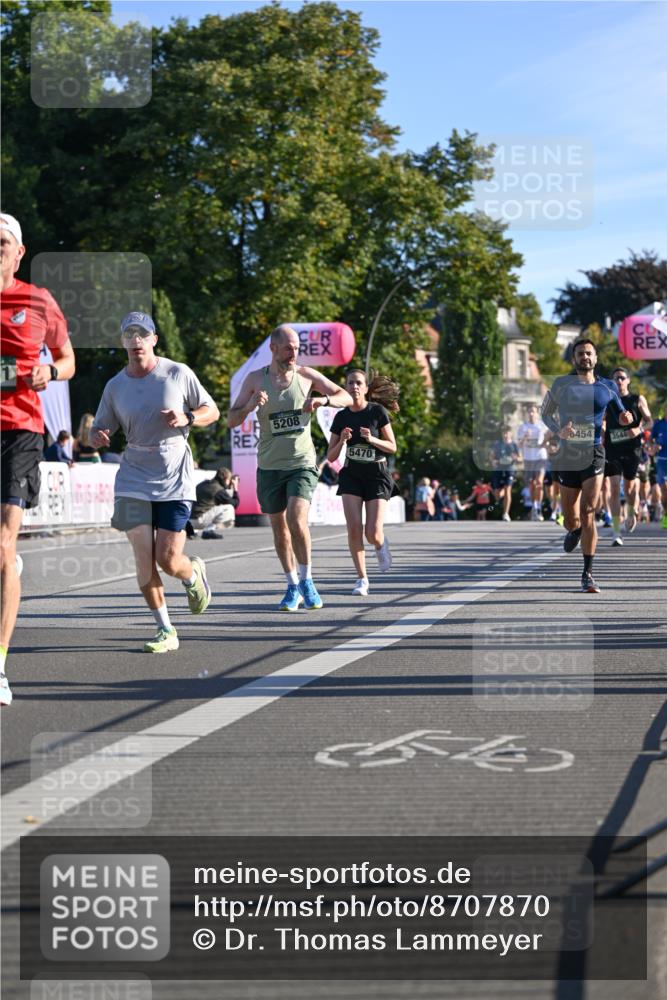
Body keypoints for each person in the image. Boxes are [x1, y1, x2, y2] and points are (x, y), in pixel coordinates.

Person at [91, 311, 219, 652]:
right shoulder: (115, 386)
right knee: (143, 559)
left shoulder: (177, 373)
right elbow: (97, 428)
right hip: (133, 475)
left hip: (174, 472)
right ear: (122, 342)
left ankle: (192, 575)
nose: (135, 341)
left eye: (141, 335)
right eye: (129, 335)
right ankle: (166, 630)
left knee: (168, 558)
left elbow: (212, 410)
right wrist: (98, 435)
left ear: (153, 340)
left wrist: (187, 416)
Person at [1, 212, 75, 706]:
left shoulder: (38, 300)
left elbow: (67, 359)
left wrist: (52, 371)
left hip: (20, 432)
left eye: (2, 242)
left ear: (19, 251)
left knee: (3, 548)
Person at [227, 324, 352, 611]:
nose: (294, 353)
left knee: (297, 521)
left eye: (297, 348)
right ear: (273, 349)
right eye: (288, 348)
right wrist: (248, 408)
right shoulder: (256, 379)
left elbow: (345, 395)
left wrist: (324, 400)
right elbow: (231, 419)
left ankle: (308, 580)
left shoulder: (306, 375)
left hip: (302, 463)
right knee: (280, 529)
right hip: (269, 466)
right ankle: (292, 584)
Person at [541, 338, 632, 593]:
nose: (585, 357)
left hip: (594, 452)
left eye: (589, 353)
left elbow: (623, 413)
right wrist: (560, 430)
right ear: (574, 358)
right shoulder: (561, 384)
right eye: (580, 354)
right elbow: (545, 413)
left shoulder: (608, 386)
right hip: (568, 454)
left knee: (589, 509)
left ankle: (588, 574)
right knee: (571, 517)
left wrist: (627, 418)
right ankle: (574, 529)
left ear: (596, 357)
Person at [326, 368, 398, 596]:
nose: (354, 386)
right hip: (352, 475)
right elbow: (330, 456)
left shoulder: (377, 412)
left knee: (372, 533)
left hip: (377, 474)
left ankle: (380, 544)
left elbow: (392, 447)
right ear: (346, 388)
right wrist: (343, 441)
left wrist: (372, 438)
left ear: (366, 388)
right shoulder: (341, 417)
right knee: (354, 529)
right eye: (350, 383)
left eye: (358, 382)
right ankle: (362, 579)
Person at [603, 367, 652, 545]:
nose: (619, 381)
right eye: (616, 379)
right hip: (612, 448)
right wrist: (600, 434)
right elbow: (601, 421)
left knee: (631, 490)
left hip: (632, 448)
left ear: (628, 380)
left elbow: (649, 421)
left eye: (622, 378)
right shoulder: (608, 400)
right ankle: (617, 532)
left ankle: (631, 512)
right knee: (614, 487)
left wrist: (637, 429)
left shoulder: (637, 399)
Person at [517, 404, 548, 521]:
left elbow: (548, 440)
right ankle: (534, 506)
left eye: (533, 411)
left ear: (537, 413)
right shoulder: (523, 427)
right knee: (532, 484)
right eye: (529, 412)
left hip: (541, 457)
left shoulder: (542, 425)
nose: (531, 414)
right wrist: (525, 437)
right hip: (528, 459)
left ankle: (538, 508)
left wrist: (545, 442)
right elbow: (519, 444)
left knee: (539, 482)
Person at [188, 467, 239, 539]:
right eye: (229, 479)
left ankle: (193, 531)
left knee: (209, 507)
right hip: (200, 520)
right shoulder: (218, 490)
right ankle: (208, 530)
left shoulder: (203, 484)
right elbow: (235, 504)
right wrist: (235, 489)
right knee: (229, 508)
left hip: (190, 520)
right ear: (225, 478)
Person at [490, 426, 520, 521]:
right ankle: (501, 490)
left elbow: (520, 459)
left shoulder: (514, 445)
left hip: (510, 469)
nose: (506, 435)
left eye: (507, 433)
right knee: (497, 495)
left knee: (508, 490)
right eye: (504, 433)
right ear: (502, 434)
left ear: (510, 434)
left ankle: (506, 513)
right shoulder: (497, 444)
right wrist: (493, 461)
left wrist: (516, 458)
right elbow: (492, 456)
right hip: (498, 469)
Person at [649, 405, 667, 529]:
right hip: (661, 461)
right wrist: (653, 447)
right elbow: (650, 439)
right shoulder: (659, 424)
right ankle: (666, 514)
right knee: (664, 490)